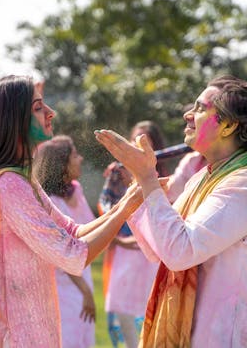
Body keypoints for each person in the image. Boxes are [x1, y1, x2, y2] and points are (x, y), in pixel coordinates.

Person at [0, 75, 144, 347]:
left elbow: (73, 231)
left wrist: (127, 200)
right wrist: (130, 205)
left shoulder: (20, 179)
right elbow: (73, 254)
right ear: (13, 121)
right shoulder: (8, 184)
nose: (51, 113)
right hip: (16, 337)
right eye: (38, 108)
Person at [95, 75, 247, 346]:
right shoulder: (202, 178)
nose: (188, 114)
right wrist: (141, 187)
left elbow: (180, 251)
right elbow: (159, 246)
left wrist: (149, 180)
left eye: (199, 108)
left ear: (229, 125)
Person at [98, 121, 167, 348]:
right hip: (124, 256)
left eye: (144, 141)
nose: (137, 146)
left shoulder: (163, 177)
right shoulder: (116, 173)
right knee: (123, 313)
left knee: (152, 315)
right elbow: (107, 207)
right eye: (134, 140)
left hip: (151, 256)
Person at [33, 135, 96, 348]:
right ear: (62, 163)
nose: (80, 159)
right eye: (75, 155)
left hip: (78, 283)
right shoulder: (51, 203)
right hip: (64, 287)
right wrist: (85, 291)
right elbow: (63, 253)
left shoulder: (74, 191)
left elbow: (90, 230)